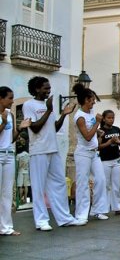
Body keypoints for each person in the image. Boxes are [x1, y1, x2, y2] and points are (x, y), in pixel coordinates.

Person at [23, 76, 86, 231]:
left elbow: (54, 128)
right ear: (37, 89)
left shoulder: (46, 106)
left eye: (49, 88)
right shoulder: (29, 105)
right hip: (39, 151)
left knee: (59, 183)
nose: (48, 91)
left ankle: (64, 218)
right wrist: (50, 110)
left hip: (53, 149)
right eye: (46, 88)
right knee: (38, 187)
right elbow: (35, 128)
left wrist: (64, 114)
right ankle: (41, 220)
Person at [72, 83, 109, 222]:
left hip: (94, 153)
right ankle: (81, 214)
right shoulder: (80, 116)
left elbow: (91, 133)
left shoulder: (90, 113)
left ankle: (98, 210)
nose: (94, 102)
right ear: (86, 100)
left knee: (100, 179)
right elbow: (87, 137)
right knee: (83, 183)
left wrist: (97, 131)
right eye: (92, 99)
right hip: (83, 153)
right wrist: (97, 124)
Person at [0, 86, 30, 236]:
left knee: (7, 193)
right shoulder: (5, 117)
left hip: (9, 154)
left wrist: (19, 128)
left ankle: (6, 227)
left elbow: (11, 139)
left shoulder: (10, 115)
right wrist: (3, 123)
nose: (12, 101)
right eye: (10, 98)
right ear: (1, 98)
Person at [98, 109, 120, 215]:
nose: (111, 120)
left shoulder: (117, 129)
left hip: (116, 159)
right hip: (105, 160)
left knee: (116, 184)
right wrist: (109, 142)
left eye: (112, 117)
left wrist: (118, 141)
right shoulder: (100, 131)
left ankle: (117, 208)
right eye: (109, 118)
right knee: (106, 185)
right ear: (104, 119)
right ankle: (104, 208)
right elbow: (98, 146)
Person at [16, 140, 30, 205]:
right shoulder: (28, 155)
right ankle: (25, 199)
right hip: (26, 171)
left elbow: (18, 165)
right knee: (26, 186)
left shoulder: (18, 155)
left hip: (20, 171)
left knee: (20, 186)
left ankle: (20, 199)